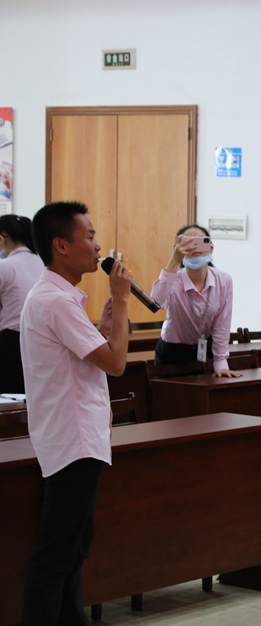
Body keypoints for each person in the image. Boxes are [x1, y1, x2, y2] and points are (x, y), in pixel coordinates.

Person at [20, 201, 131, 625]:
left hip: (73, 438)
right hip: (74, 440)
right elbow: (116, 364)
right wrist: (121, 301)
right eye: (90, 237)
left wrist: (103, 326)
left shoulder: (55, 297)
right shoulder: (56, 301)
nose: (98, 247)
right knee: (58, 553)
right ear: (61, 246)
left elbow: (81, 357)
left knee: (74, 548)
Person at [151, 224, 241, 377]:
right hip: (172, 352)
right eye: (188, 242)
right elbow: (156, 302)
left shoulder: (223, 280)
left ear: (211, 248)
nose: (195, 247)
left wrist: (221, 362)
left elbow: (222, 325)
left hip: (205, 350)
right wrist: (174, 260)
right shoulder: (173, 279)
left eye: (200, 241)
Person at [0, 214, 44, 393]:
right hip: (43, 340)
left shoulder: (5, 266)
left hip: (12, 343)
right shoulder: (44, 264)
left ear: (2, 239)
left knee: (10, 396)